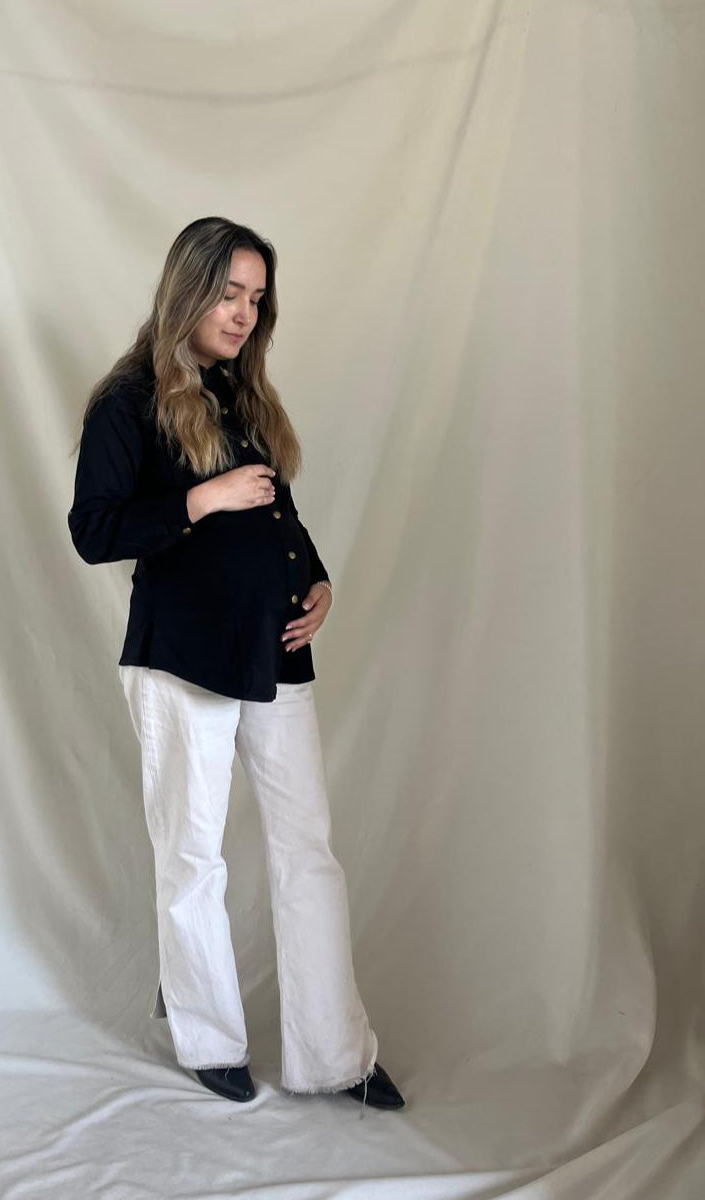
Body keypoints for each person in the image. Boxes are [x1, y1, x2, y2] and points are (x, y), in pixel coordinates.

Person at [68, 216, 404, 1110]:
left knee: (308, 851)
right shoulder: (127, 401)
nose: (245, 313)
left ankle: (337, 1053)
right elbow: (94, 530)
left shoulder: (241, 395)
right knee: (193, 852)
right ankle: (208, 1037)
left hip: (274, 651)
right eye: (229, 293)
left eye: (256, 298)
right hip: (185, 658)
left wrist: (317, 580)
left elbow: (276, 515)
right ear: (189, 289)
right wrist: (200, 497)